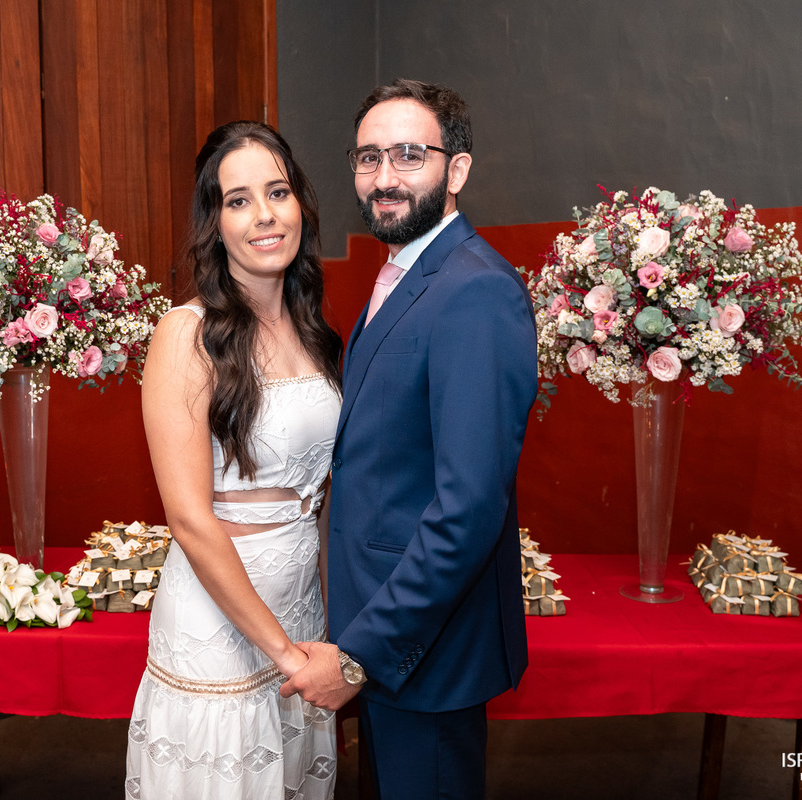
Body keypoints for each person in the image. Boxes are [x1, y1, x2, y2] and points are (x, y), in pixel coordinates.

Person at [280, 79, 538, 799]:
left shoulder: (474, 291)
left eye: (409, 156)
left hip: (427, 649)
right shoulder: (406, 273)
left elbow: (467, 510)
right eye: (369, 158)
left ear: (456, 170)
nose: (384, 178)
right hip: (388, 625)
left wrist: (360, 654)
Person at [126, 121, 343, 800]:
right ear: (214, 222)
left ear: (300, 205)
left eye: (277, 192)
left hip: (303, 611)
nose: (264, 215)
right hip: (219, 628)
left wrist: (327, 635)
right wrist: (285, 656)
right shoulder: (185, 335)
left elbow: (328, 492)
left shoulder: (316, 333)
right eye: (238, 199)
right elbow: (189, 520)